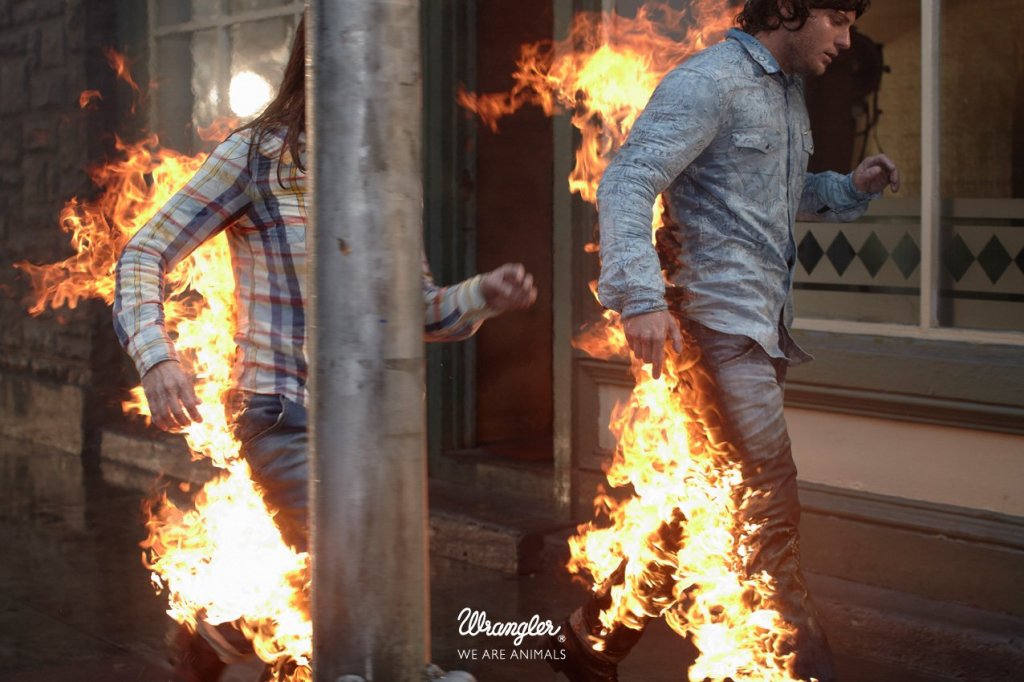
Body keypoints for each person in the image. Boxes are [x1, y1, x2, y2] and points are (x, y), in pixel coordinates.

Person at [113, 17, 536, 682]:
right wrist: (157, 356)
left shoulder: (386, 172)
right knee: (350, 570)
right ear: (324, 64)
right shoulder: (256, 156)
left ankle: (216, 636)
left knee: (369, 575)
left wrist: (483, 293)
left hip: (377, 430)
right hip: (283, 415)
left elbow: (415, 311)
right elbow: (144, 251)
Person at [551, 1, 899, 681]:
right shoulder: (709, 81)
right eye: (838, 19)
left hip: (758, 331)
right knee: (767, 506)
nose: (847, 39)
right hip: (714, 334)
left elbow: (768, 192)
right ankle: (800, 668)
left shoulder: (783, 92)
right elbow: (628, 177)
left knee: (693, 503)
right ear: (792, 9)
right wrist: (642, 296)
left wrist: (848, 188)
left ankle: (593, 639)